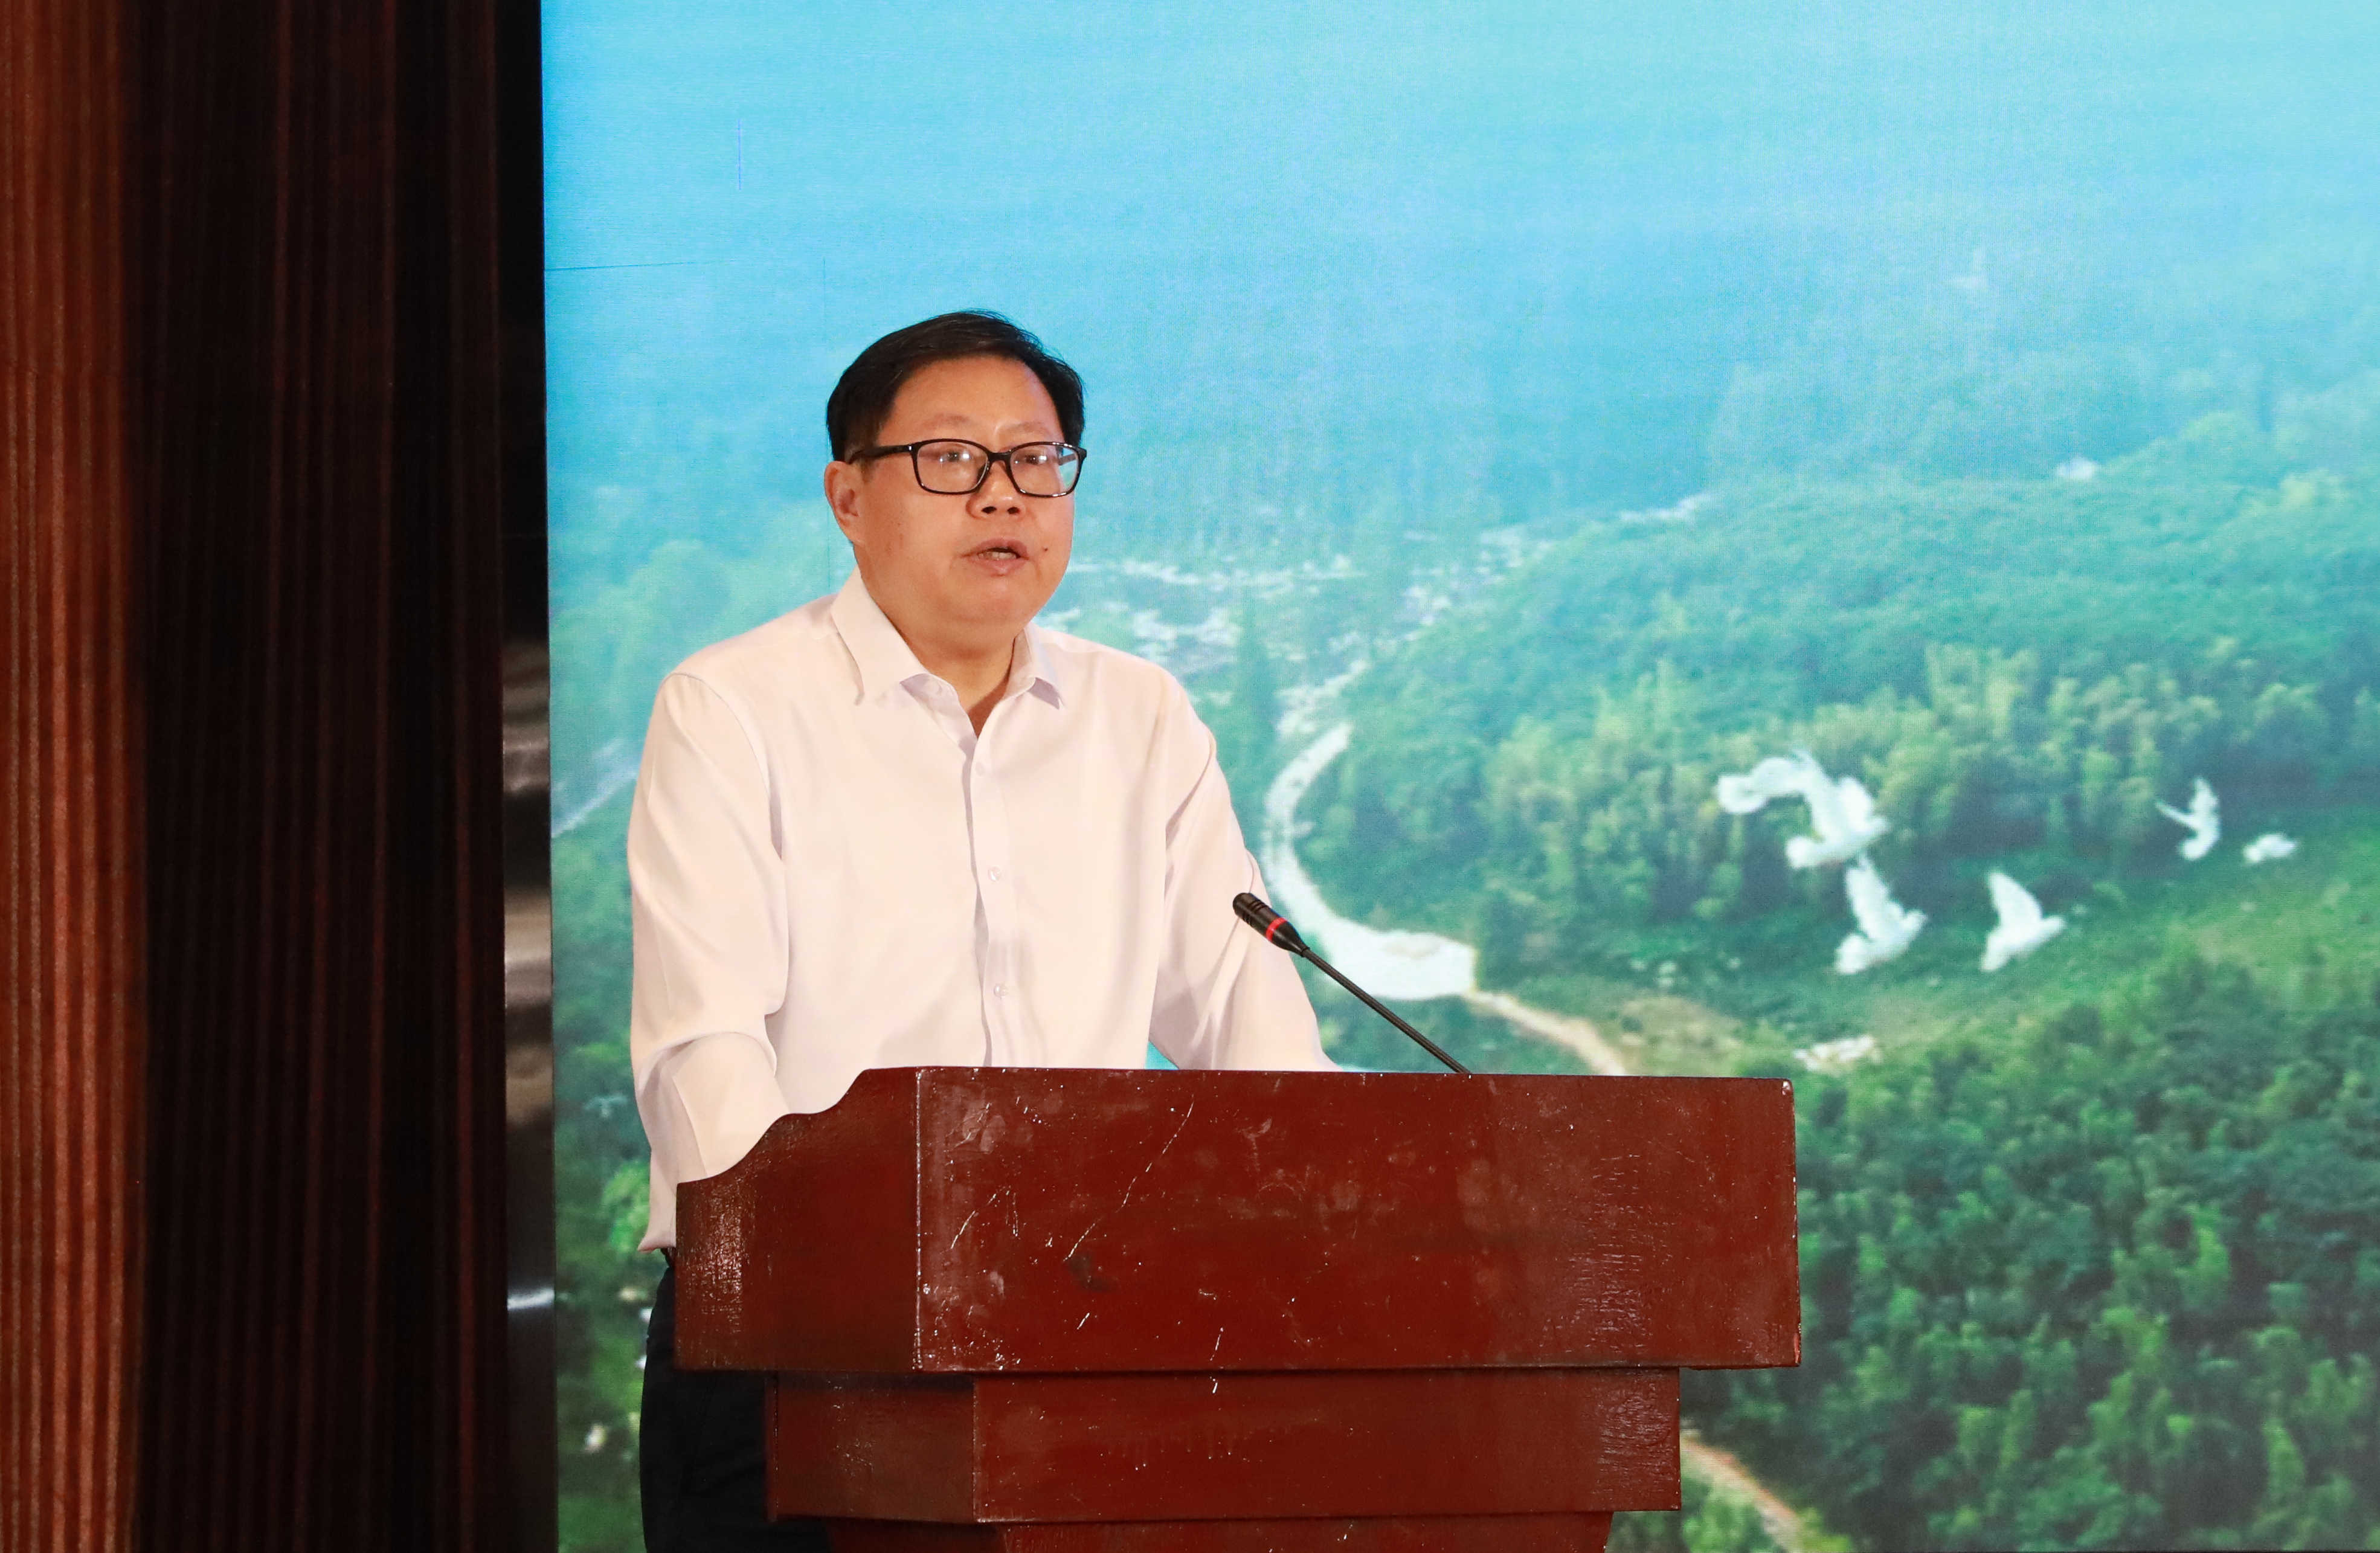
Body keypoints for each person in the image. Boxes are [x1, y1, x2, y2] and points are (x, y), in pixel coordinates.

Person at [629, 310, 1333, 1550]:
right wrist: (843, 1277)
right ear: (850, 498)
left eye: (1035, 459)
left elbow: (1247, 1025)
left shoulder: (1140, 716)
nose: (1002, 494)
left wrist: (1337, 1220)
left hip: (1084, 1330)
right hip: (796, 1346)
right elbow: (705, 1052)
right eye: (950, 458)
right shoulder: (733, 708)